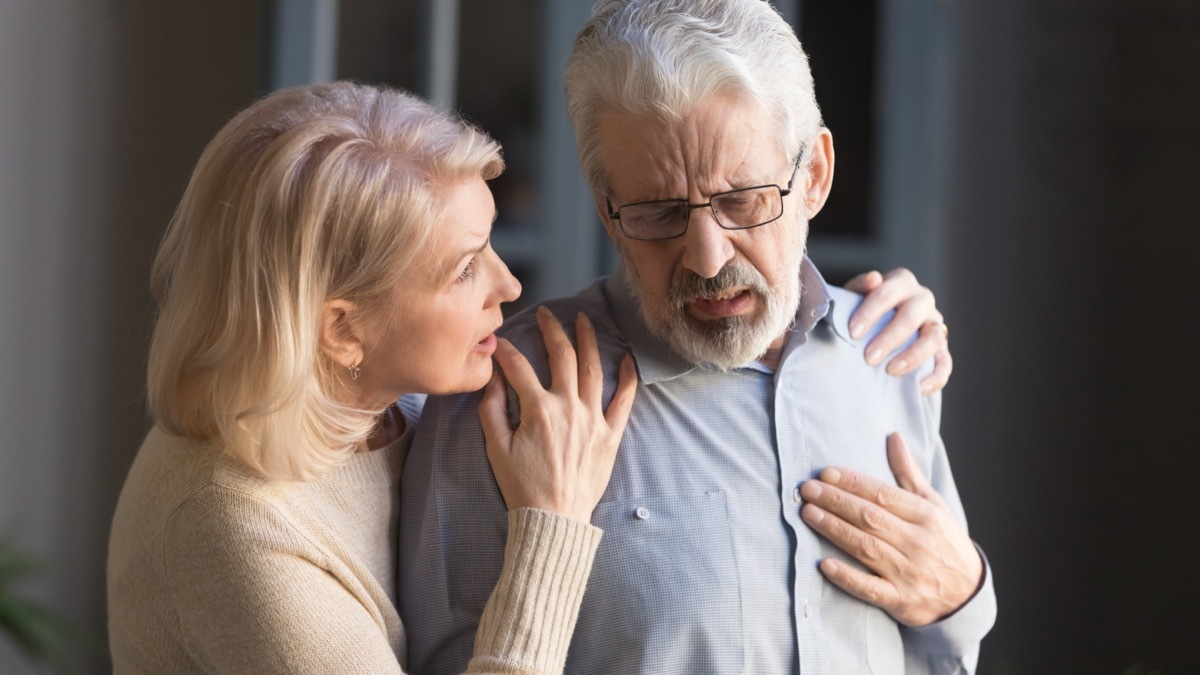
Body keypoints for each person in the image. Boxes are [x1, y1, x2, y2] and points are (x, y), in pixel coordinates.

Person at [399, 1, 996, 674]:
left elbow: (944, 650)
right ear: (608, 210)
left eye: (743, 201)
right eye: (658, 212)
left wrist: (964, 595)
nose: (707, 259)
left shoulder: (893, 350)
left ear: (815, 176)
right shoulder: (507, 393)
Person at [106, 81, 641, 674]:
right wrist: (554, 521)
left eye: (490, 244)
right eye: (465, 270)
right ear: (342, 331)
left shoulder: (392, 399)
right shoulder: (229, 524)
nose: (509, 286)